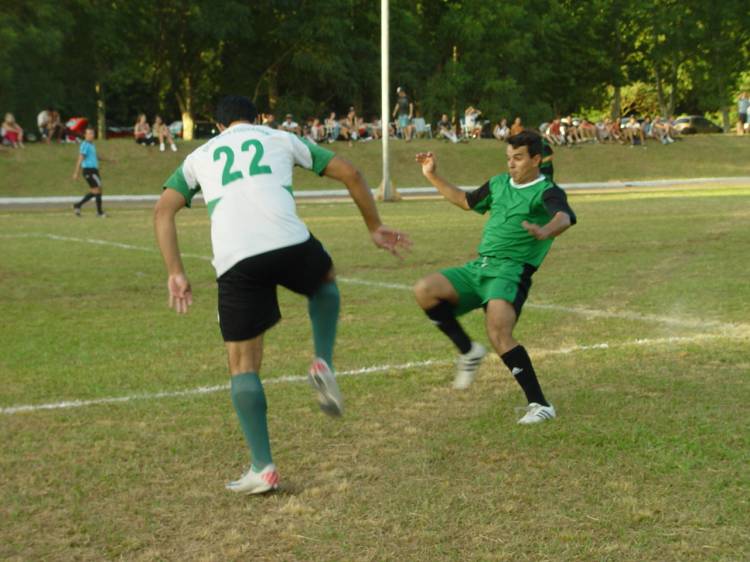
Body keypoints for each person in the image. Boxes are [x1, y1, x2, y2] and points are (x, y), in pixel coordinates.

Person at [153, 95, 411, 495]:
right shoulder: (280, 137)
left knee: (243, 364)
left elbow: (163, 211)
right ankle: (323, 361)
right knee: (323, 281)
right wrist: (374, 226)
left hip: (237, 259)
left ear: (217, 126)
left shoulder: (199, 156)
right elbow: (352, 173)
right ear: (257, 118)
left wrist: (175, 272)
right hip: (290, 242)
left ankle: (264, 467)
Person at [413, 130, 576, 424]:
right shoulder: (498, 183)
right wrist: (431, 175)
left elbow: (564, 217)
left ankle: (540, 404)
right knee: (425, 290)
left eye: (518, 158)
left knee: (499, 332)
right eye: (509, 158)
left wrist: (546, 230)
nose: (511, 164)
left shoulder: (547, 191)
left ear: (536, 159)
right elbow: (465, 200)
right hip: (480, 267)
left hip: (511, 271)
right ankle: (469, 351)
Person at [72, 127, 107, 217]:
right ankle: (99, 212)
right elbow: (80, 158)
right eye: (90, 133)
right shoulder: (85, 145)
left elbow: (96, 156)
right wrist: (76, 172)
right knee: (98, 190)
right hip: (89, 171)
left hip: (94, 170)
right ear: (85, 135)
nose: (92, 135)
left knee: (96, 191)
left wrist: (108, 160)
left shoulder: (92, 145)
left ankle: (78, 205)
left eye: (93, 133)